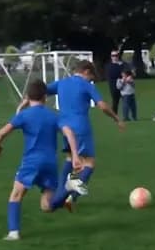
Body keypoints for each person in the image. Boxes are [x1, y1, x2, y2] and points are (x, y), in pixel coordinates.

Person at [18, 61, 124, 211]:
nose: (91, 80)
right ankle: (62, 199)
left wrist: (23, 104)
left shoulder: (61, 83)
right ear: (86, 71)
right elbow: (102, 106)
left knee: (70, 159)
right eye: (91, 77)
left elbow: (38, 92)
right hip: (81, 128)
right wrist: (116, 118)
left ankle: (64, 197)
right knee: (89, 164)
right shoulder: (86, 85)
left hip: (64, 128)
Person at [0, 80, 83, 241]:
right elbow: (69, 132)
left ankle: (13, 233)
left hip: (32, 162)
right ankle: (67, 190)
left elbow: (2, 132)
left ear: (27, 97)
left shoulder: (24, 115)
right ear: (45, 97)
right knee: (46, 206)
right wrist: (75, 155)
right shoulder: (52, 116)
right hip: (50, 163)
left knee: (16, 195)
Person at [106, 50, 125, 115]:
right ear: (111, 57)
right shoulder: (109, 66)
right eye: (113, 56)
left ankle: (126, 116)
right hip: (113, 85)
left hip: (123, 84)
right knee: (115, 101)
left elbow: (126, 72)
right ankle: (114, 115)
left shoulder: (122, 64)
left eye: (116, 55)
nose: (115, 57)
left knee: (125, 100)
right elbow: (112, 75)